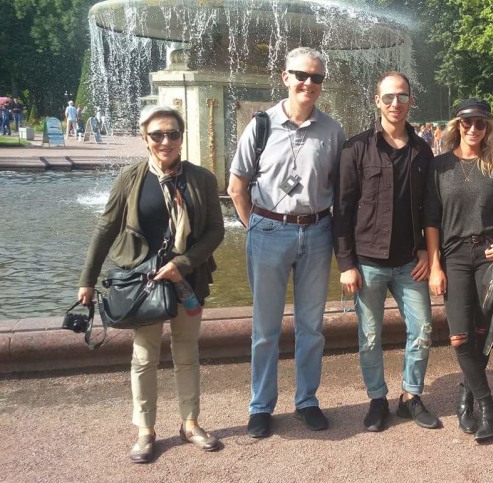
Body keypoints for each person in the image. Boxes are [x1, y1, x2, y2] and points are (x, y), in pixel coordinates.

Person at [77, 105, 225, 463]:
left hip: (188, 278)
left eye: (173, 134)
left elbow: (215, 232)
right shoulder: (130, 178)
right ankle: (145, 430)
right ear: (144, 139)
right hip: (144, 281)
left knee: (187, 353)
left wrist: (183, 263)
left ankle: (190, 423)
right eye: (157, 135)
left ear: (181, 137)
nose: (166, 141)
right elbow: (105, 228)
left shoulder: (201, 179)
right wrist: (87, 280)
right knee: (144, 356)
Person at [227, 47, 345, 438]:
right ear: (285, 77)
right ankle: (261, 406)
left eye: (316, 77)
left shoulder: (332, 130)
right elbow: (237, 186)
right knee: (265, 328)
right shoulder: (260, 125)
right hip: (269, 230)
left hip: (316, 230)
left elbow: (340, 190)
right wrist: (256, 228)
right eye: (301, 75)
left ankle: (307, 400)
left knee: (312, 327)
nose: (308, 83)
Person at [333, 72, 439, 432]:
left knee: (423, 327)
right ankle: (377, 399)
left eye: (403, 97)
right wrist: (346, 263)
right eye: (389, 97)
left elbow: (428, 207)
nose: (396, 104)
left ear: (411, 101)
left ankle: (410, 397)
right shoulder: (355, 148)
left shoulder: (422, 150)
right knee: (370, 336)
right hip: (368, 262)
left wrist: (426, 250)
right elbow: (342, 210)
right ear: (377, 101)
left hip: (411, 260)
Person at [424, 98, 493, 442]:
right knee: (459, 334)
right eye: (467, 122)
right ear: (457, 125)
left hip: (490, 253)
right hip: (454, 255)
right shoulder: (439, 167)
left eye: (480, 123)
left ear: (488, 128)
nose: (473, 129)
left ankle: (468, 394)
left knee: (484, 332)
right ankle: (488, 406)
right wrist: (435, 265)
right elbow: (431, 222)